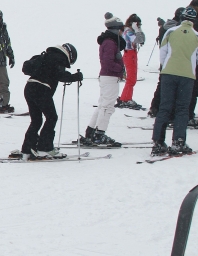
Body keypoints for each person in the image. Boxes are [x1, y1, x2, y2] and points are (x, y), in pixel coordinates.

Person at [151, 7, 198, 156]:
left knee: (164, 107)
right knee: (182, 109)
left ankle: (158, 142)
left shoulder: (171, 32)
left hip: (168, 74)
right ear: (194, 21)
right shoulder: (197, 36)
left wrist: (167, 67)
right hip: (187, 76)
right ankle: (178, 141)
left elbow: (162, 53)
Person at [18, 44, 81, 159]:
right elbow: (60, 75)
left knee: (36, 120)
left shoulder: (44, 56)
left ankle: (27, 148)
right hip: (42, 89)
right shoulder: (58, 58)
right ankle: (45, 147)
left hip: (29, 87)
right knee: (52, 117)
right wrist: (75, 77)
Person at [80, 14, 125, 147]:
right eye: (121, 29)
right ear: (116, 29)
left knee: (102, 105)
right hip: (110, 77)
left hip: (107, 76)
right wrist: (120, 69)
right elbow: (107, 62)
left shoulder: (108, 41)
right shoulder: (110, 42)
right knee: (107, 106)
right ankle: (99, 134)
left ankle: (92, 131)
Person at [117, 14, 146, 110]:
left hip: (131, 54)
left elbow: (142, 40)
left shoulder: (128, 31)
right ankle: (125, 98)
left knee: (132, 78)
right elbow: (140, 39)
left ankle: (126, 97)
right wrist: (137, 30)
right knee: (131, 79)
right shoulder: (128, 32)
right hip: (130, 55)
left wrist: (139, 30)